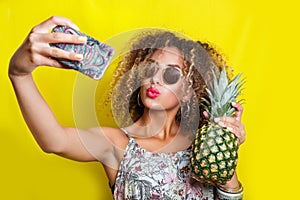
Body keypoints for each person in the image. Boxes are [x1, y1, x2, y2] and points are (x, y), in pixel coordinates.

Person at [9, 16, 246, 199]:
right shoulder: (117, 144)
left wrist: (227, 164)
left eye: (171, 74)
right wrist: (19, 74)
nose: (155, 79)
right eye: (150, 69)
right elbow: (55, 140)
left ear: (187, 92)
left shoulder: (202, 145)